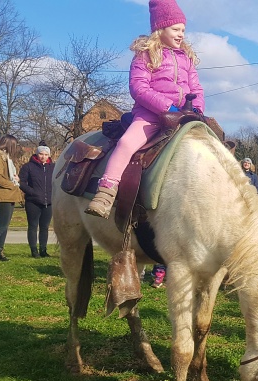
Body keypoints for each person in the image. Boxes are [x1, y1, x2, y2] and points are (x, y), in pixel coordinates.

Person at [85, 0, 204, 219]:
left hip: (184, 115)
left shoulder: (186, 58)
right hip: (151, 115)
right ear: (161, 28)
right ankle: (106, 191)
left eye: (183, 30)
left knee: (214, 140)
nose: (181, 35)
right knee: (126, 143)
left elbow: (196, 87)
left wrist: (196, 108)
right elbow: (138, 87)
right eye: (176, 29)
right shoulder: (146, 54)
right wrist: (167, 107)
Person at [19, 141, 54, 258]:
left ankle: (43, 250)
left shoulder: (52, 167)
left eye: (46, 154)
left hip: (48, 202)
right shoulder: (28, 167)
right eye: (41, 154)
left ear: (49, 156)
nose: (43, 156)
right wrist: (32, 192)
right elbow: (21, 183)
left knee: (45, 227)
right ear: (37, 154)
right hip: (33, 201)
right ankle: (34, 251)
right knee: (33, 226)